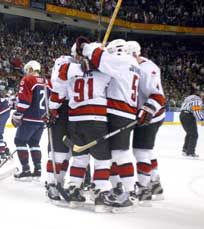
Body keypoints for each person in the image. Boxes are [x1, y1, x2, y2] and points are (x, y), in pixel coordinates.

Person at [50, 41, 132, 212]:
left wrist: (51, 109)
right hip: (96, 119)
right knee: (102, 160)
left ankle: (74, 191)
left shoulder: (68, 68)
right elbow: (117, 73)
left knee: (80, 158)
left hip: (75, 120)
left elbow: (58, 88)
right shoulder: (102, 69)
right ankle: (101, 194)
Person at [78, 38, 142, 203]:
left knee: (120, 154)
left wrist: (86, 46)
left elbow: (99, 57)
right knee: (113, 154)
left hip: (118, 112)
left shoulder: (122, 61)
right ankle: (119, 188)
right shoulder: (132, 63)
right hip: (124, 112)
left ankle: (129, 192)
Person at [126, 41, 166, 202]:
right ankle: (155, 184)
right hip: (150, 113)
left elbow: (156, 95)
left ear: (134, 54)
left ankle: (144, 190)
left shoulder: (147, 69)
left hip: (151, 115)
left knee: (140, 151)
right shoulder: (143, 66)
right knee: (147, 151)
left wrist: (147, 110)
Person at [12, 60, 47, 180]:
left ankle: (26, 169)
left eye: (27, 71)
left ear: (31, 69)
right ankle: (38, 169)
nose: (26, 73)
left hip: (29, 117)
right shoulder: (47, 82)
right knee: (34, 143)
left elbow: (25, 101)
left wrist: (18, 114)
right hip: (42, 119)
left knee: (20, 141)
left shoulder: (27, 80)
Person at [45, 54, 73, 200]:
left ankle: (59, 182)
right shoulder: (66, 65)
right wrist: (52, 110)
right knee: (60, 152)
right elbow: (58, 88)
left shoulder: (66, 66)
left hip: (71, 111)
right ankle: (52, 183)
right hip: (63, 112)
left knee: (67, 152)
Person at [180, 90, 204, 158]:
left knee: (189, 133)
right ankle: (190, 152)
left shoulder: (189, 97)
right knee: (194, 135)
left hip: (182, 114)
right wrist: (202, 120)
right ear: (200, 95)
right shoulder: (197, 100)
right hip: (188, 116)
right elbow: (196, 111)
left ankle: (185, 150)